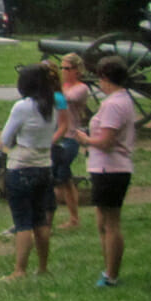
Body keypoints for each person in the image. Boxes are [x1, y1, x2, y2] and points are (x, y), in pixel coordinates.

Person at [75, 55, 138, 288]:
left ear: (105, 77)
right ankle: (108, 269)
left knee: (111, 223)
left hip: (111, 168)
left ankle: (112, 275)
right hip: (107, 167)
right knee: (102, 222)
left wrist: (85, 139)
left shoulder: (113, 104)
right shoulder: (122, 99)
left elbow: (106, 141)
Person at [1, 64, 59, 282]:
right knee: (41, 220)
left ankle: (19, 270)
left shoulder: (22, 107)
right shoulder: (51, 105)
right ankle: (43, 267)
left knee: (23, 222)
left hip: (21, 165)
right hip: (44, 164)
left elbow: (6, 138)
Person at [54, 53, 91, 229]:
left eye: (67, 68)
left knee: (58, 177)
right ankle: (74, 219)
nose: (63, 71)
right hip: (59, 136)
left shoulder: (81, 88)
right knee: (66, 180)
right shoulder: (61, 87)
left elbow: (66, 99)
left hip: (70, 137)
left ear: (77, 70)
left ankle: (50, 218)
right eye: (61, 67)